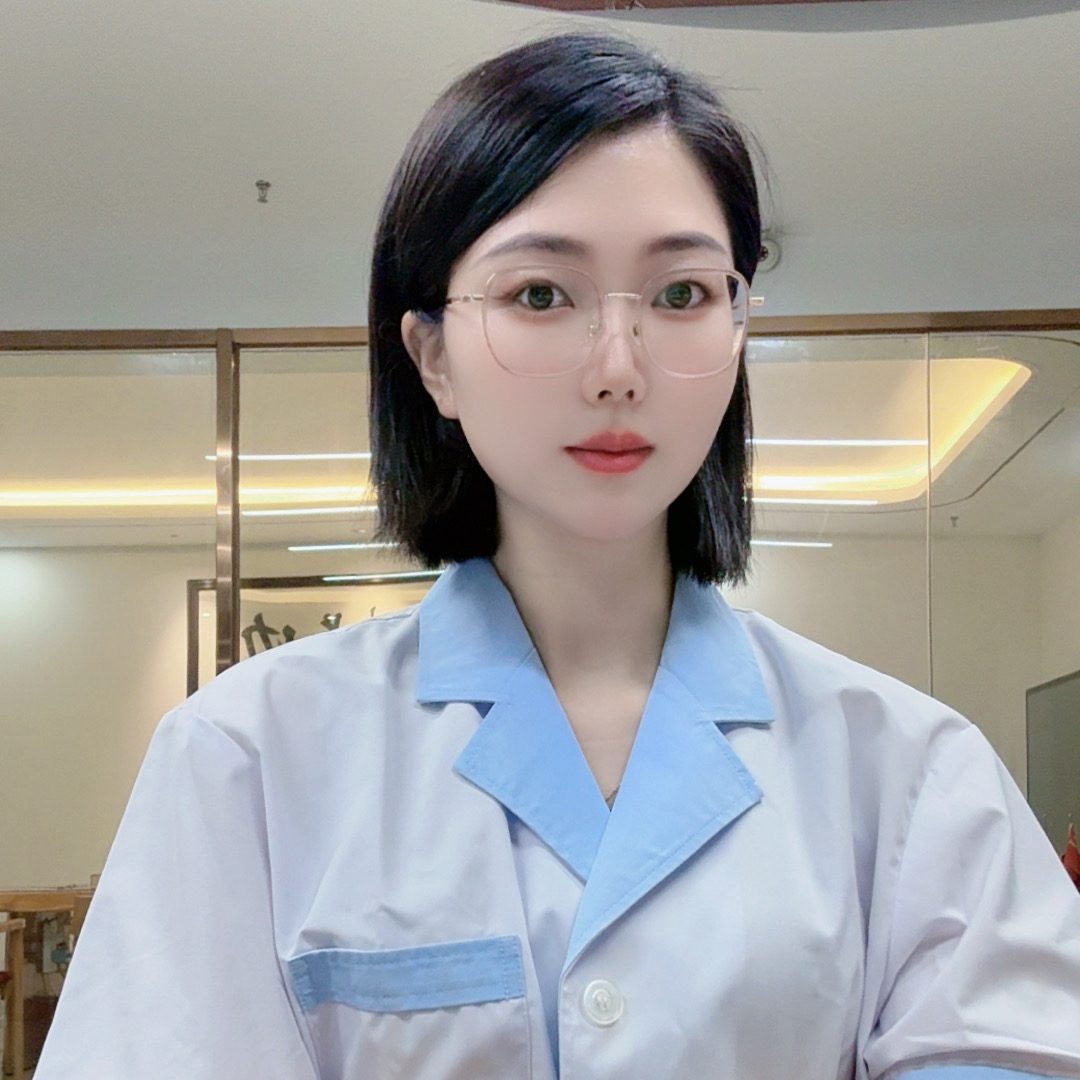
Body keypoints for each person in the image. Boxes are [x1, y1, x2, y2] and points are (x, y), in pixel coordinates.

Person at [33, 30, 1080, 1080]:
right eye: (541, 294)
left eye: (681, 294)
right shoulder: (248, 759)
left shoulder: (910, 773)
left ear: (737, 331)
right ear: (431, 356)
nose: (618, 368)